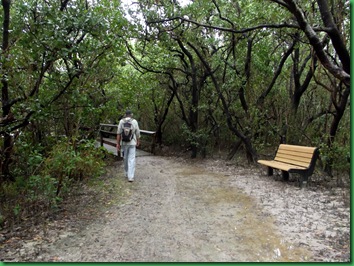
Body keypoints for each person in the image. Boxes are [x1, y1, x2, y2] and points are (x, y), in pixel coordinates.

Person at [116, 110, 141, 182]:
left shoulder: (121, 121)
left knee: (125, 158)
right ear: (131, 115)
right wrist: (138, 141)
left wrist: (117, 143)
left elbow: (118, 133)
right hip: (132, 143)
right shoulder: (134, 121)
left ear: (125, 115)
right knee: (131, 159)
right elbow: (137, 132)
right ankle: (131, 176)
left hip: (124, 143)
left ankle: (126, 173)